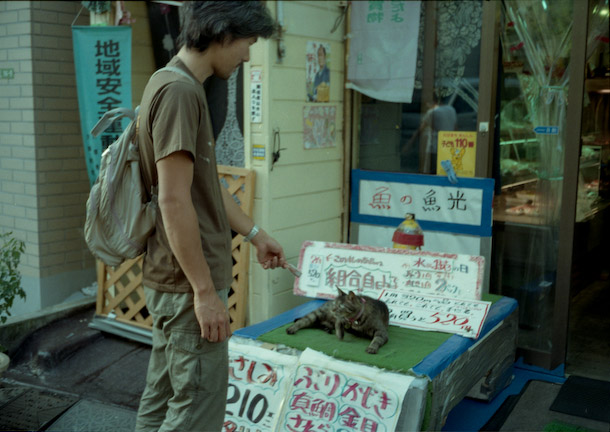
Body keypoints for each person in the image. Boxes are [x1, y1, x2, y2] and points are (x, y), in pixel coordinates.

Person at [134, 2, 285, 431]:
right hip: (187, 288)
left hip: (171, 279)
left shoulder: (169, 82)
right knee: (195, 409)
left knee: (163, 399)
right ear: (222, 33)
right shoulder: (181, 93)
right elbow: (174, 201)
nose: (247, 56)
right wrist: (204, 292)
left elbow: (205, 185)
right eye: (247, 44)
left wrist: (255, 234)